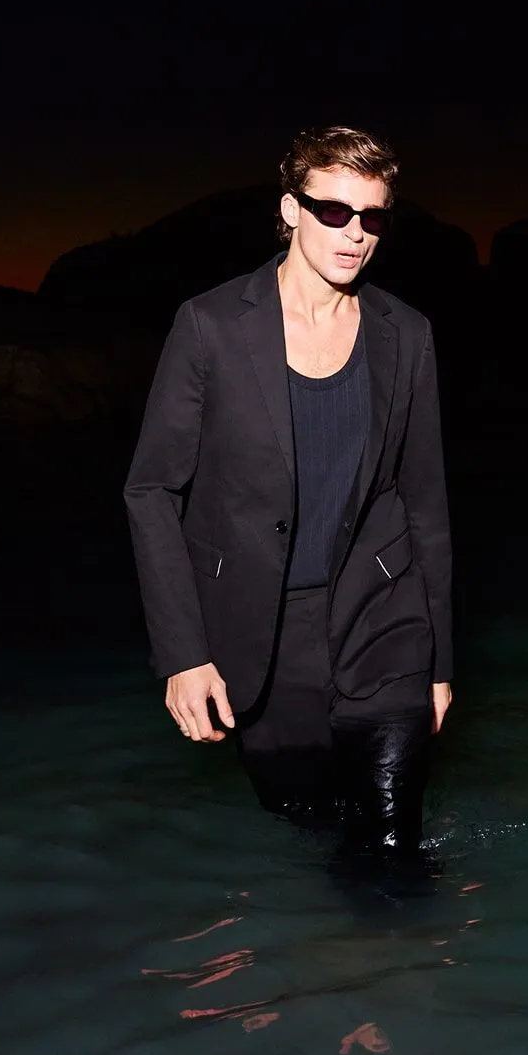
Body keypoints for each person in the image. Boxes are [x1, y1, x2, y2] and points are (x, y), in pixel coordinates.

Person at [124, 125, 452, 859]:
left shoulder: (408, 334)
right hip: (264, 636)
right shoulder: (210, 326)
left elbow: (424, 502)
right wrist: (183, 654)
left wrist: (440, 663)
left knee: (394, 847)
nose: (356, 233)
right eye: (334, 211)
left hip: (384, 621)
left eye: (373, 217)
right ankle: (330, 972)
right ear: (292, 210)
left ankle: (418, 966)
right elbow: (150, 489)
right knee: (315, 832)